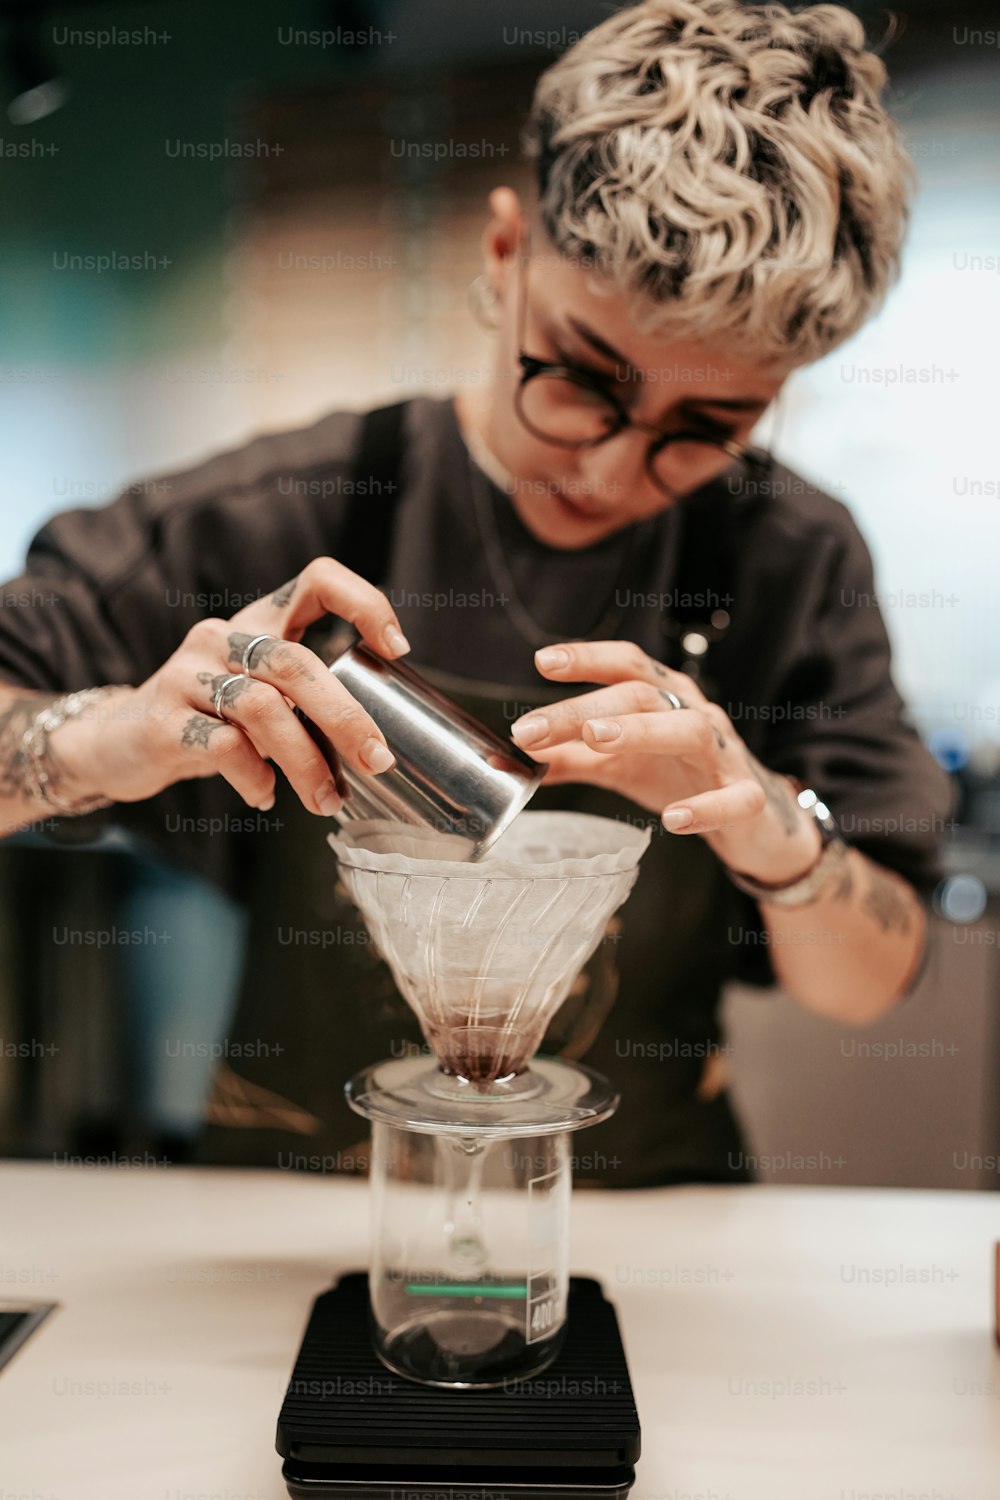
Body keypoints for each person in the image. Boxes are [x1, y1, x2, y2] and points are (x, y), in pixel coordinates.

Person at [0, 0, 951, 1186]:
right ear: (505, 253)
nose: (609, 471)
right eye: (582, 379)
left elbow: (868, 979)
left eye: (705, 427)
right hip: (289, 1222)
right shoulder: (280, 509)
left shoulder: (789, 556)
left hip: (649, 1228)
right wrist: (99, 738)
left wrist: (768, 825)